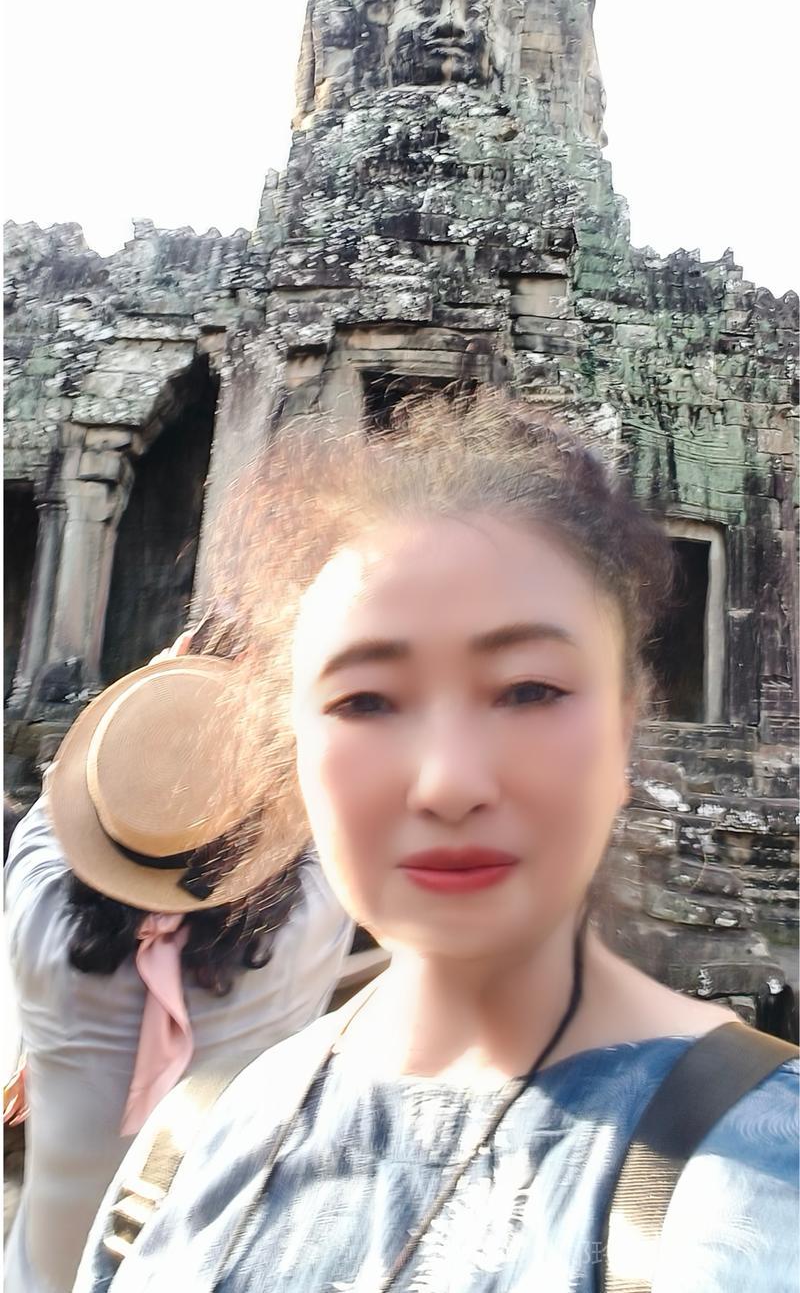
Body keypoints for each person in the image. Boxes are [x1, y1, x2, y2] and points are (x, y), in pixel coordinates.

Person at [75, 393, 798, 1293]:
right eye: (366, 699)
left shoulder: (755, 1184)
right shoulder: (193, 1141)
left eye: (529, 689)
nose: (449, 782)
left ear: (625, 727)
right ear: (288, 747)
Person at [4, 651, 354, 1293]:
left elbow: (57, 804)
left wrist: (153, 702)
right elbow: (335, 807)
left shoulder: (36, 916)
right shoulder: (309, 925)